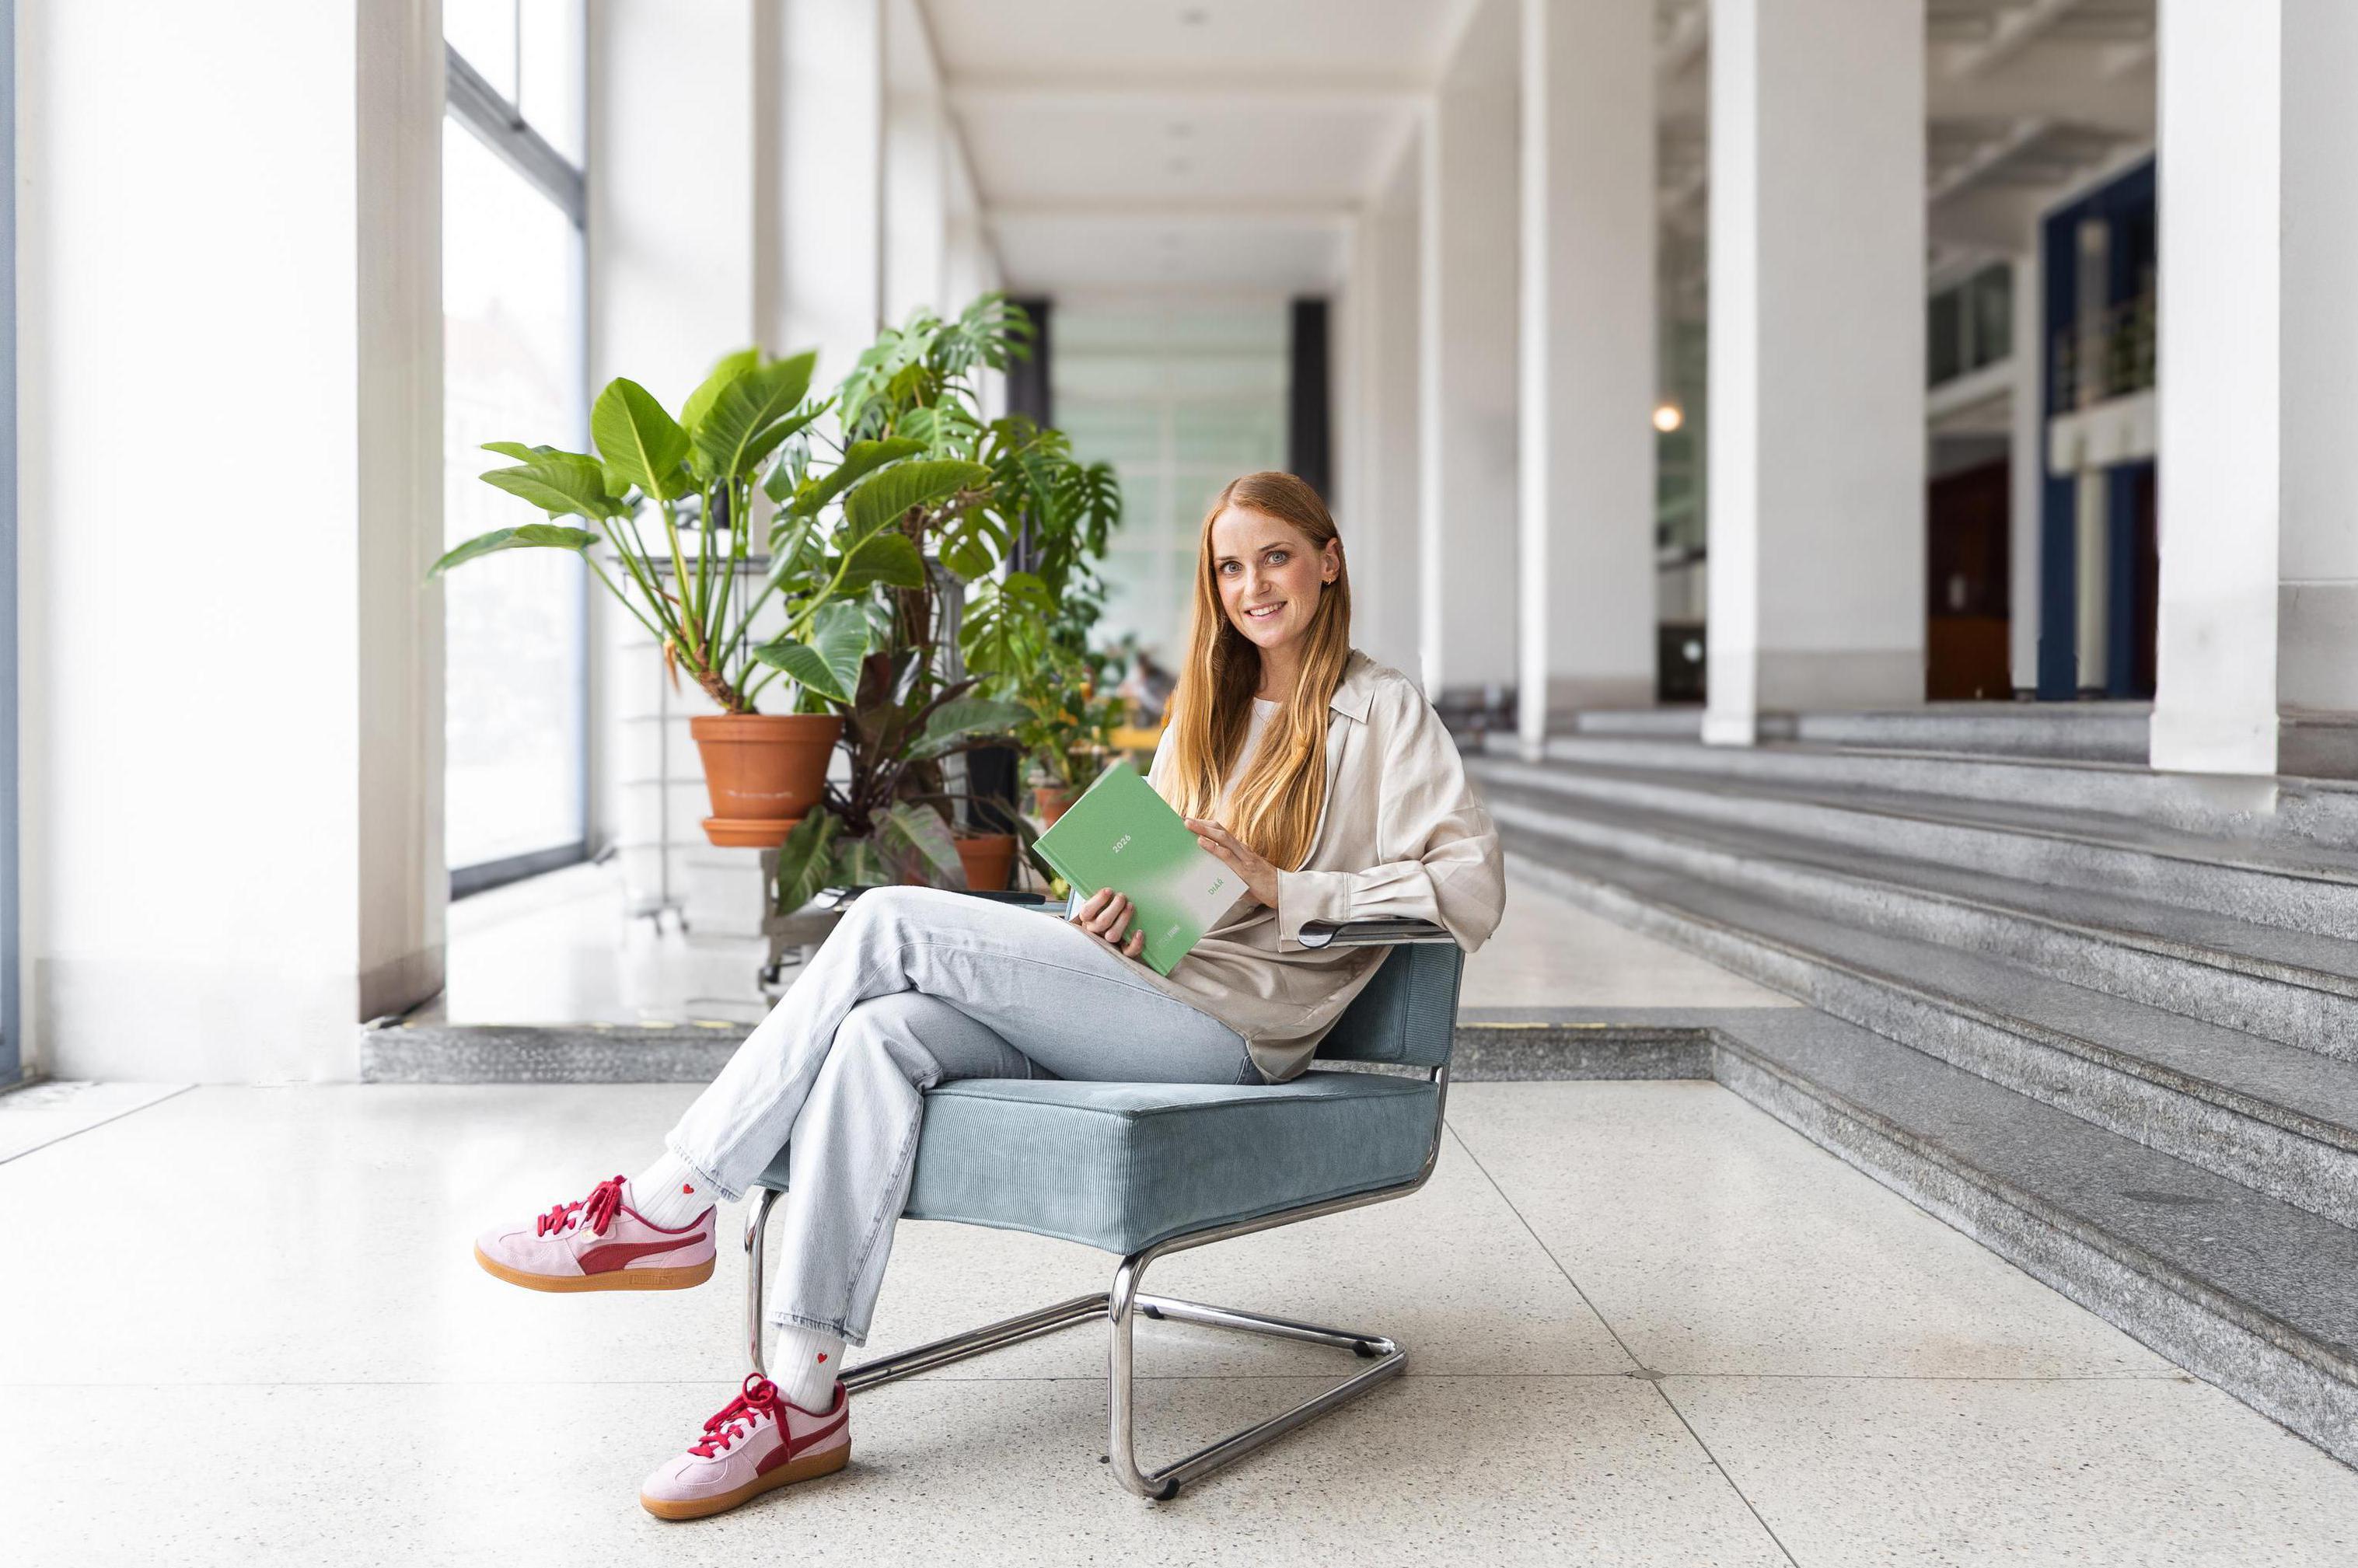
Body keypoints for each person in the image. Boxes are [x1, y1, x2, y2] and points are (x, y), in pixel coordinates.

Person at [470, 470, 1506, 1521]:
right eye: (1229, 566)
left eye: (1275, 556)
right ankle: (802, 1391)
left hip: (1226, 1027)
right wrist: (1112, 902)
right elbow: (1166, 881)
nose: (1253, 584)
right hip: (1137, 985)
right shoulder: (1208, 704)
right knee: (878, 1033)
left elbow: (1468, 883)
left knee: (885, 921)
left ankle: (670, 1201)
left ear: (1327, 559)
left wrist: (1282, 886)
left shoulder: (1381, 712)